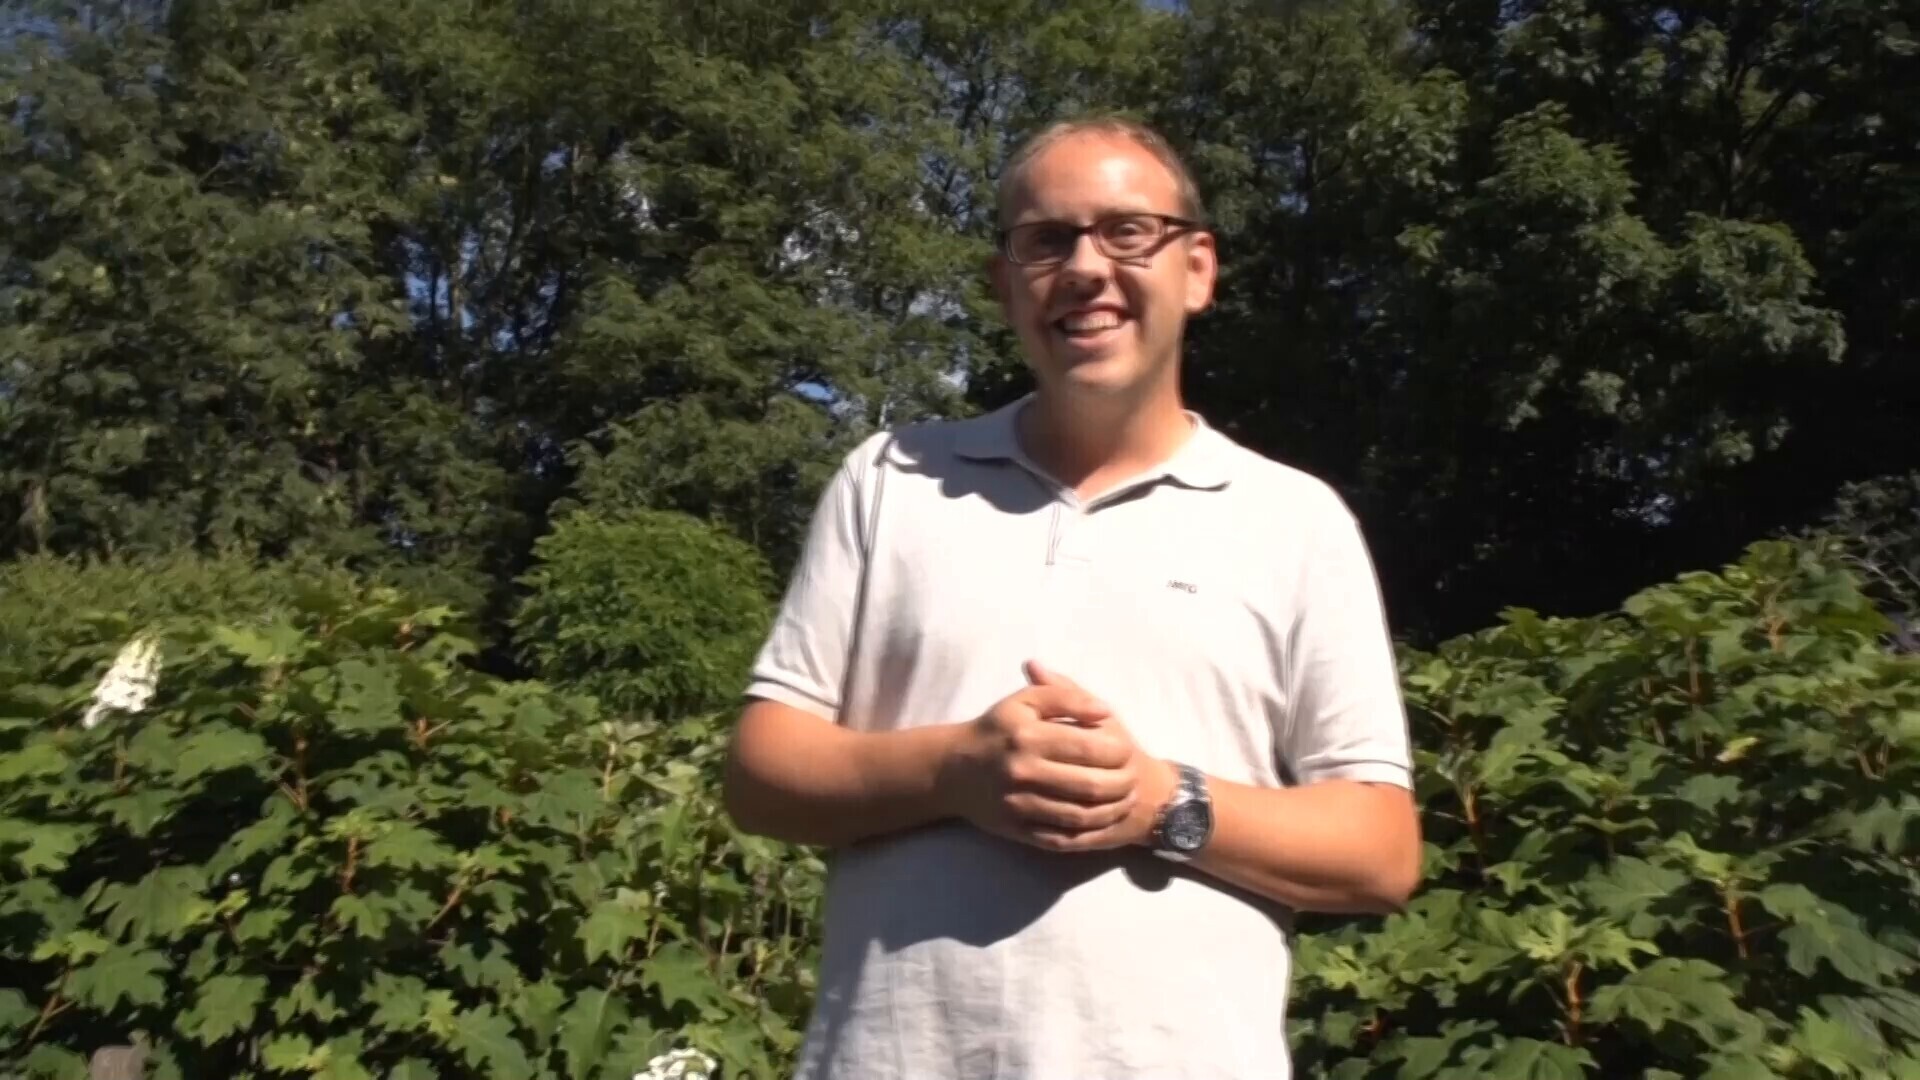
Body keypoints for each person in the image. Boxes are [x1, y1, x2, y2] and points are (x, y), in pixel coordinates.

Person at [722, 115, 1421, 1079]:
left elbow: (1381, 851)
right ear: (1003, 284)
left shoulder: (1296, 520)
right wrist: (957, 771)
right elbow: (760, 774)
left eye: (1129, 232)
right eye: (1047, 240)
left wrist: (1160, 802)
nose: (1088, 267)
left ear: (1198, 269)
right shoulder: (890, 478)